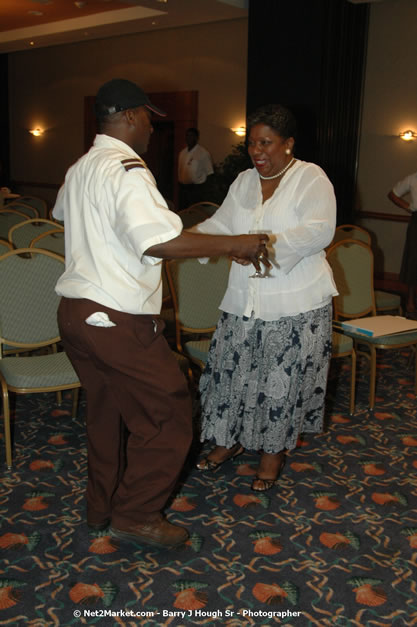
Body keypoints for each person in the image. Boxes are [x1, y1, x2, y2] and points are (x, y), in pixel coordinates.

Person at [53, 78, 268, 549]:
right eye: (148, 116)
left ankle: (101, 508)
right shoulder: (127, 169)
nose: (152, 126)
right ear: (129, 116)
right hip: (115, 319)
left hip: (75, 314)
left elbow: (64, 217)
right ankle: (137, 515)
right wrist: (235, 244)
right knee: (170, 415)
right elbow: (157, 240)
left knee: (107, 417)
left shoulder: (83, 166)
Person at [194, 104, 338, 491]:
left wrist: (259, 247)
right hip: (244, 299)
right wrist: (187, 240)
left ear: (288, 143)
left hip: (294, 304)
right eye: (252, 143)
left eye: (266, 143)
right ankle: (228, 440)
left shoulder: (310, 178)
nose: (257, 151)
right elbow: (222, 224)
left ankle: (272, 454)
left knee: (279, 383)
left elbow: (319, 231)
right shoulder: (242, 181)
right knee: (232, 375)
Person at [388, 173, 417, 315]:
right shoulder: (413, 178)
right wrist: (409, 206)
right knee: (413, 260)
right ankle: (410, 302)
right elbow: (392, 194)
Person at [178, 127, 213, 210]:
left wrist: (205, 193)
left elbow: (210, 173)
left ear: (196, 138)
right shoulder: (182, 153)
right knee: (183, 211)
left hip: (196, 190)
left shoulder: (203, 153)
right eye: (187, 136)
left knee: (194, 213)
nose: (188, 138)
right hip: (183, 189)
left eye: (191, 136)